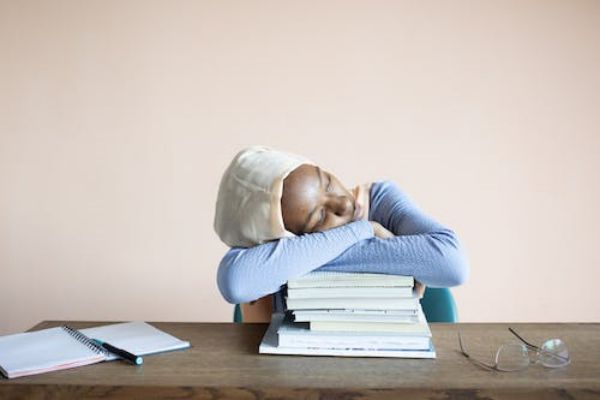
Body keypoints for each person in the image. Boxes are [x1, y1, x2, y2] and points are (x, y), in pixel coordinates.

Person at [214, 145, 470, 322]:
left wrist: (306, 257)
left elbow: (453, 264)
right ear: (285, 238)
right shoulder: (264, 244)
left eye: (326, 182)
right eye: (320, 217)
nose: (345, 204)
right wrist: (363, 230)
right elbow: (236, 282)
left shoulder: (380, 199)